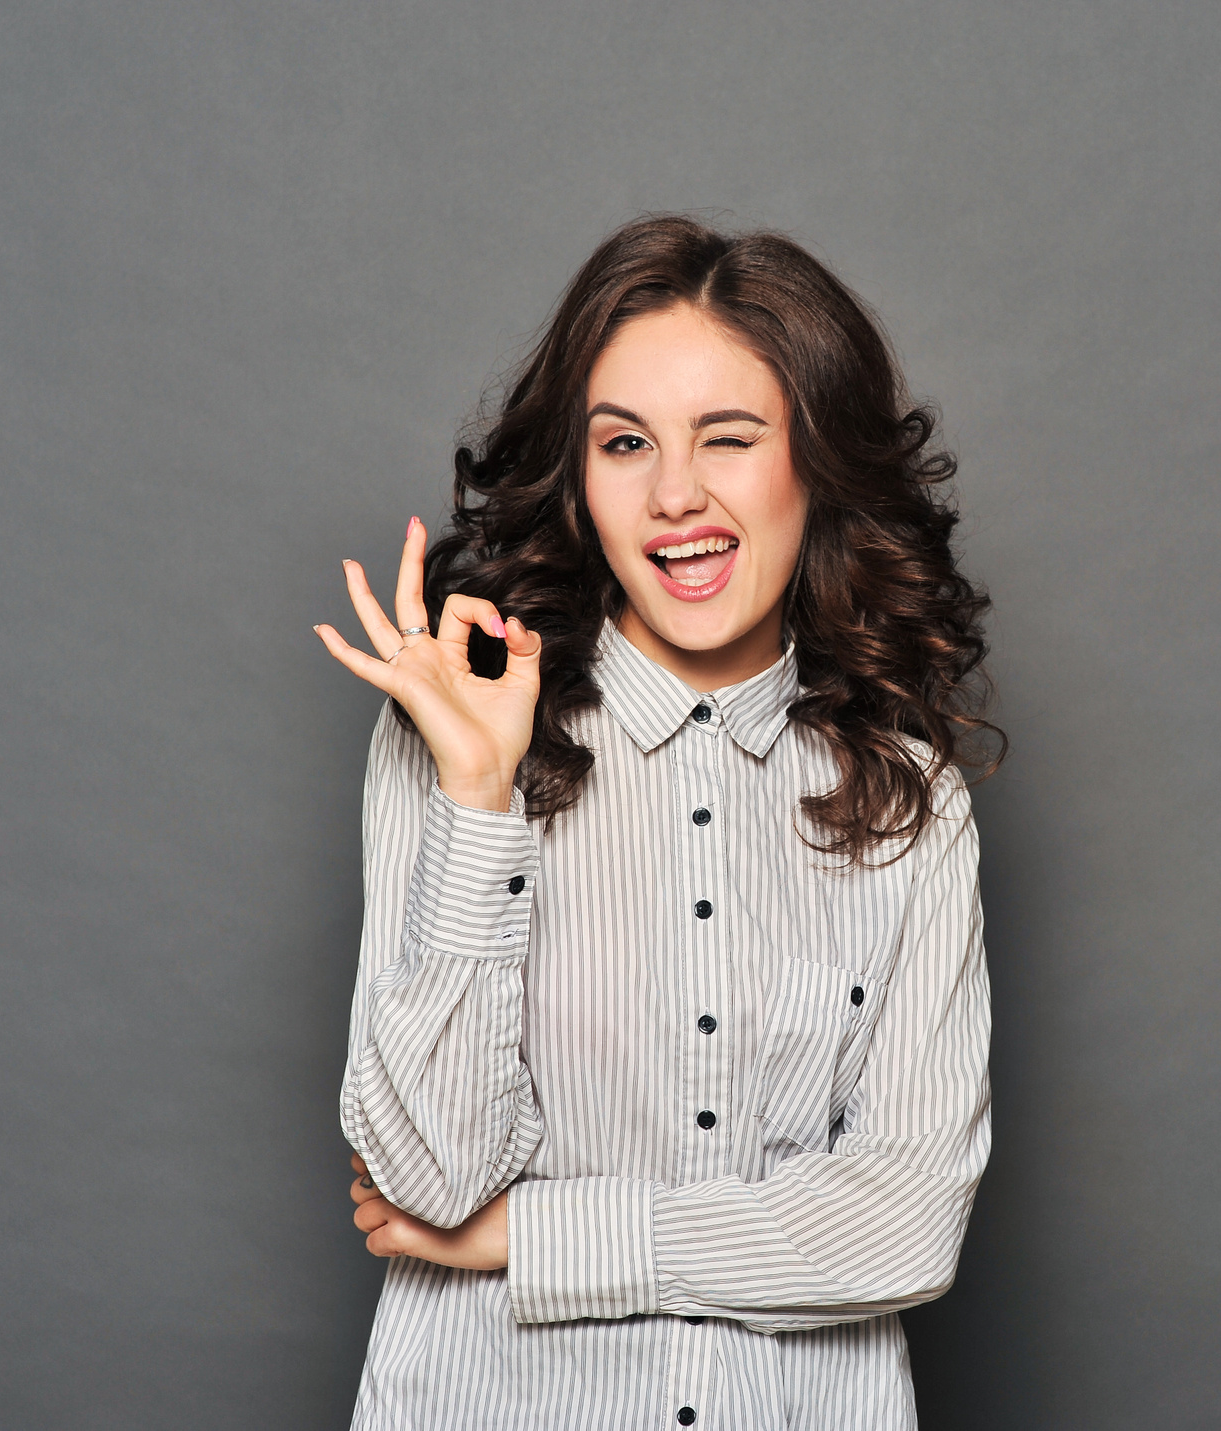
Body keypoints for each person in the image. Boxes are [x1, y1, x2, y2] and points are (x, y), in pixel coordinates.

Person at [311, 214, 1002, 1429]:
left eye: (728, 439)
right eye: (624, 443)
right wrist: (479, 798)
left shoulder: (910, 802)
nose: (674, 494)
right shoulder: (458, 729)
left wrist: (536, 1235)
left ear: (815, 463)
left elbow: (903, 1224)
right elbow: (422, 1179)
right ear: (579, 481)